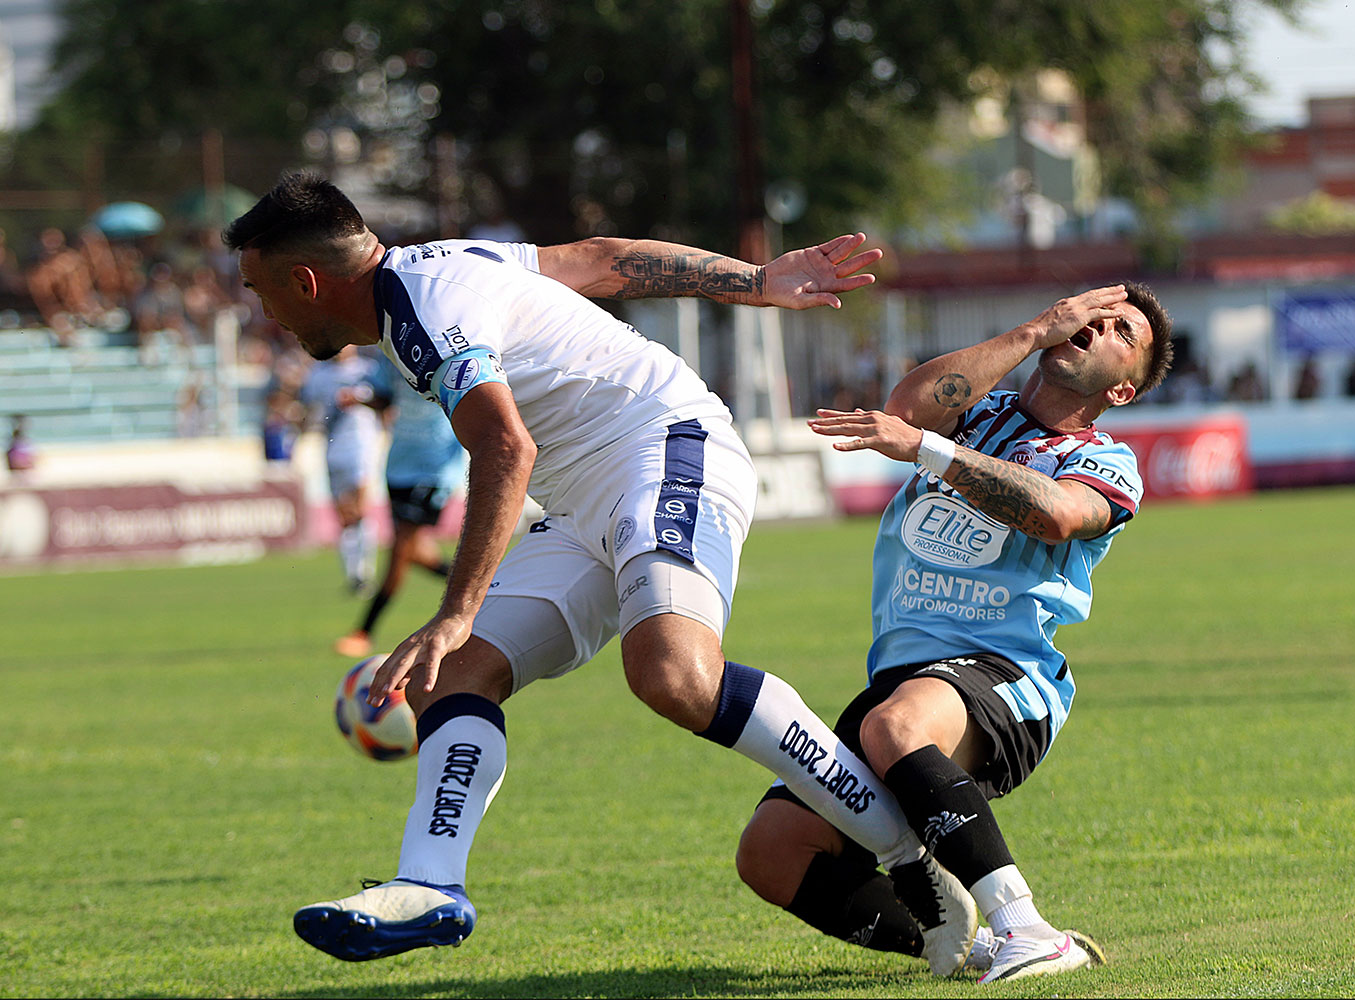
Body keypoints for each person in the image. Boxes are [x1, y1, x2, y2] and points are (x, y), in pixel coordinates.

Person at [224, 171, 978, 973]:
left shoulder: (422, 305)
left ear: (306, 281)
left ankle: (910, 857)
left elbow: (507, 446)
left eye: (260, 292)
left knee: (673, 676)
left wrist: (454, 608)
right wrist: (756, 282)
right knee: (456, 677)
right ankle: (430, 886)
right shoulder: (439, 265)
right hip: (585, 497)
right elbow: (607, 258)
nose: (262, 313)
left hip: (667, 446)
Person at [735, 283, 1174, 983]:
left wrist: (931, 452)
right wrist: (1033, 331)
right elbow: (905, 412)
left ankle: (1028, 929)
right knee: (772, 852)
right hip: (903, 680)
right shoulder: (977, 408)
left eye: (1121, 331)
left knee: (896, 727)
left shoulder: (1103, 461)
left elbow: (1058, 515)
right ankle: (969, 947)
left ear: (1123, 390)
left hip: (1006, 674)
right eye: (1092, 313)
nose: (1096, 326)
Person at [334, 355, 466, 658]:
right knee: (414, 552)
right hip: (398, 465)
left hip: (434, 469)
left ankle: (364, 630)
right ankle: (488, 587)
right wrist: (361, 399)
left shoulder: (451, 353)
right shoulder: (394, 354)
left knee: (400, 550)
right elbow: (384, 398)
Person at [299, 343, 384, 594]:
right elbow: (308, 411)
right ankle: (352, 574)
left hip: (361, 447)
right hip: (333, 448)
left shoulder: (369, 370)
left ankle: (364, 572)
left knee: (360, 506)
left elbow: (384, 403)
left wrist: (359, 399)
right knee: (343, 513)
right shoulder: (318, 374)